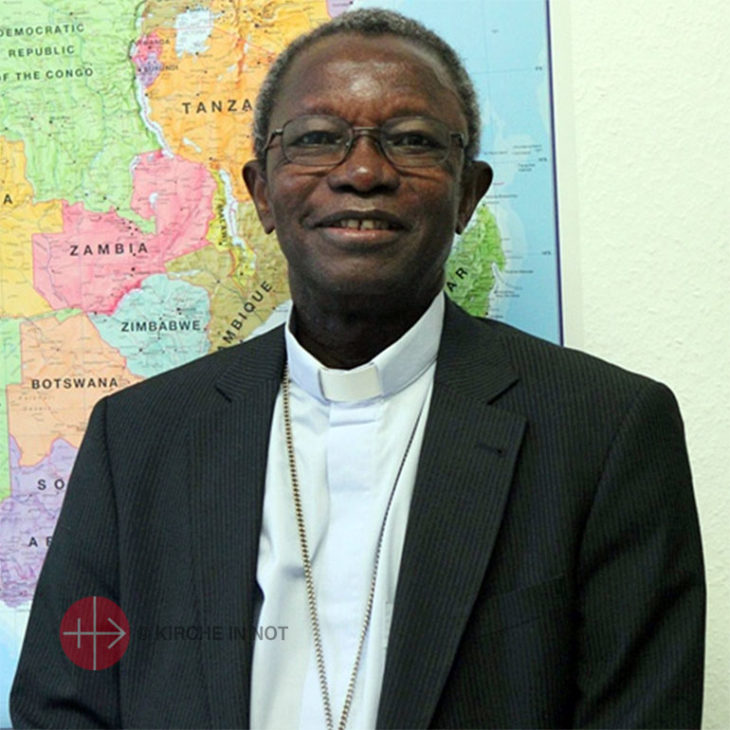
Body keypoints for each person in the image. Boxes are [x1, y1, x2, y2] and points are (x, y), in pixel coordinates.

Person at [11, 9, 705, 729]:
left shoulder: (606, 434)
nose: (364, 172)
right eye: (317, 139)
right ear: (262, 192)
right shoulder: (137, 438)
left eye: (412, 140)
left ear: (468, 193)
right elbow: (62, 709)